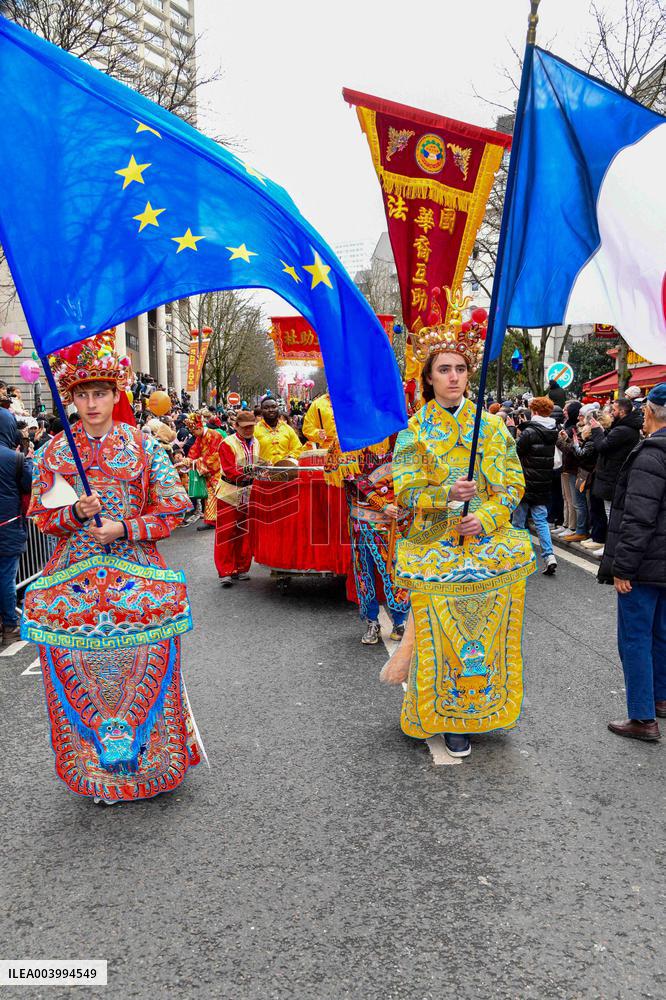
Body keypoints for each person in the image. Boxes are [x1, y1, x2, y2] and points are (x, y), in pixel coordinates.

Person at [22, 336, 201, 804]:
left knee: (149, 670)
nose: (91, 403)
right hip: (72, 584)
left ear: (116, 394)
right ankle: (97, 768)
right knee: (79, 672)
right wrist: (75, 514)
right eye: (82, 394)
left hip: (138, 577)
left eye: (100, 393)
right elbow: (41, 516)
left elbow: (175, 507)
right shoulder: (53, 453)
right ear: (71, 399)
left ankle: (152, 759)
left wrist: (124, 528)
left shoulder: (144, 447)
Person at [388, 302, 535, 759]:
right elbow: (404, 490)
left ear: (470, 375)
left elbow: (514, 484)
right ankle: (445, 716)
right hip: (435, 547)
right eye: (444, 369)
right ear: (429, 378)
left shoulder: (492, 428)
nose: (453, 377)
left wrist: (485, 517)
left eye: (461, 369)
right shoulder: (413, 431)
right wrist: (446, 495)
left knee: (483, 639)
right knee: (439, 637)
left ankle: (482, 710)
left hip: (488, 548)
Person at [599, 384, 666, 742]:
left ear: (650, 411)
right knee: (660, 634)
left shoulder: (650, 455)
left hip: (644, 563)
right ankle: (660, 697)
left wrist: (622, 567)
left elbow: (638, 518)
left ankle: (642, 716)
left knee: (635, 638)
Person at [326, 437, 410, 644]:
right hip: (364, 517)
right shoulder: (348, 436)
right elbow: (352, 477)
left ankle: (400, 621)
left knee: (398, 567)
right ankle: (372, 621)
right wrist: (381, 504)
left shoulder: (398, 431)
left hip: (397, 514)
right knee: (364, 570)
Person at [588, 397, 643, 552]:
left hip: (612, 476)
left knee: (611, 514)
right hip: (613, 475)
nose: (611, 413)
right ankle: (610, 546)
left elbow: (602, 446)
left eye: (614, 410)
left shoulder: (622, 430)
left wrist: (597, 430)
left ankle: (610, 547)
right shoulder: (624, 428)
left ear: (622, 411)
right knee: (611, 513)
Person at [513, 396, 558, 575]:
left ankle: (521, 557)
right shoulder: (553, 430)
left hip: (525, 480)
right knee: (541, 520)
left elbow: (515, 452)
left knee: (518, 521)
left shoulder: (529, 432)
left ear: (535, 411)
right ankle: (549, 555)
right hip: (543, 481)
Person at [215, 408, 260, 586]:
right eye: (245, 427)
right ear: (236, 426)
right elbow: (230, 471)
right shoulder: (227, 444)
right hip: (229, 493)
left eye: (251, 426)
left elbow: (257, 463)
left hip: (248, 493)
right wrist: (253, 472)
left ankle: (241, 567)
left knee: (244, 532)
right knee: (226, 533)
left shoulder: (256, 442)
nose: (248, 430)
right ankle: (226, 570)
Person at [0, 407, 32, 646]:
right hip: (7, 526)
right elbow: (30, 485)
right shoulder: (15, 458)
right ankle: (10, 624)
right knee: (6, 577)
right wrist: (27, 460)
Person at [185, 411, 225, 531]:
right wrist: (188, 460)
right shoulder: (200, 437)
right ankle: (212, 521)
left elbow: (215, 455)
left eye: (193, 431)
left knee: (220, 495)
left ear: (199, 428)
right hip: (209, 470)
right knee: (210, 496)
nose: (193, 434)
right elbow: (194, 450)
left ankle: (222, 519)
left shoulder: (214, 435)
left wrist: (196, 462)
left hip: (218, 470)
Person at [254, 396, 303, 465]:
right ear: (261, 411)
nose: (271, 410)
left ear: (278, 409)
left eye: (274, 407)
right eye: (266, 408)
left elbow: (298, 448)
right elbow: (250, 452)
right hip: (264, 470)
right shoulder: (255, 430)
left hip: (285, 470)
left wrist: (290, 458)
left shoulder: (287, 429)